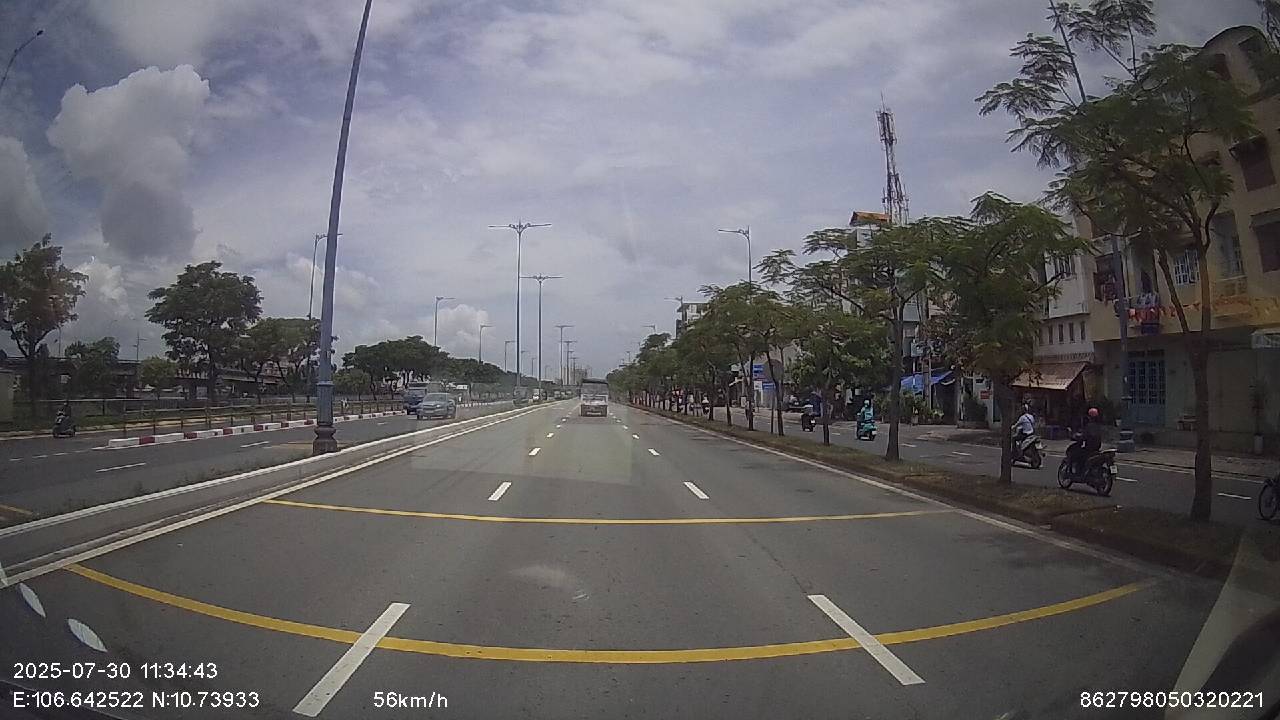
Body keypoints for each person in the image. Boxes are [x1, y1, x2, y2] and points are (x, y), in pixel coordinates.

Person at [1067, 407, 1104, 476]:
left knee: (1078, 456)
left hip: (1089, 449)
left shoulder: (1089, 426)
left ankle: (1079, 473)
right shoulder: (1098, 426)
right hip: (1096, 448)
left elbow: (1084, 436)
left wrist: (1077, 437)